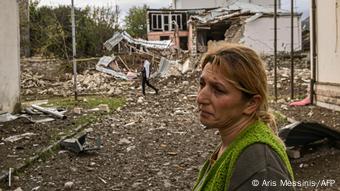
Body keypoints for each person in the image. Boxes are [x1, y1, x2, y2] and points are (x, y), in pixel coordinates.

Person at [193, 43, 294, 191]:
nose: (200, 97)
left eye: (218, 90)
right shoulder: (232, 145)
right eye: (202, 84)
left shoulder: (259, 163)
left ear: (251, 104)